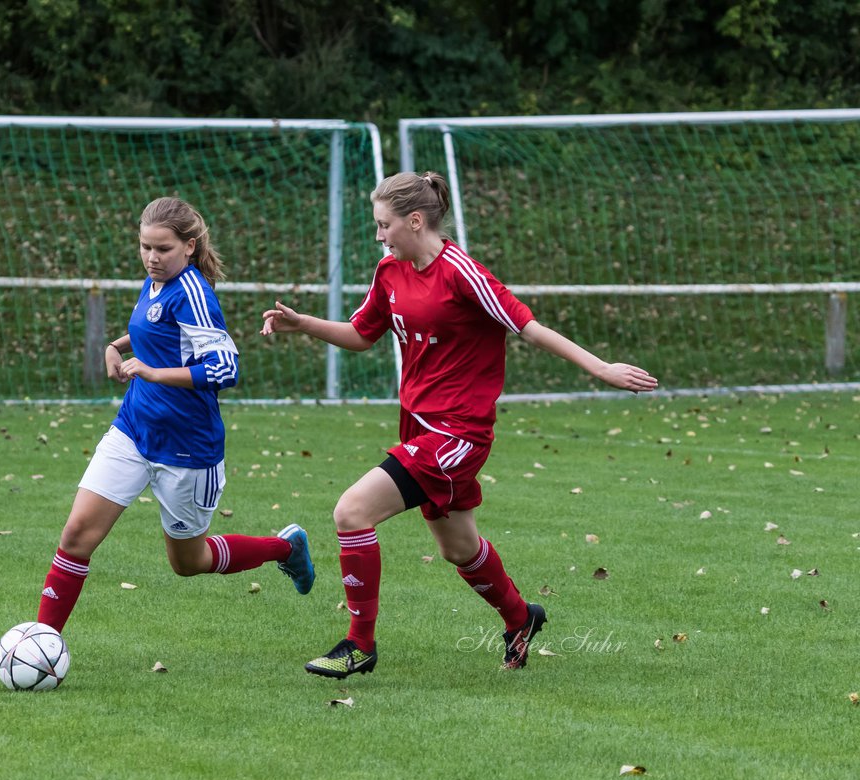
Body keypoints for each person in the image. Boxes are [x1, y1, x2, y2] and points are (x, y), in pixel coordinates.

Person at [260, 172, 658, 678]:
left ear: (416, 220)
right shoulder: (390, 271)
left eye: (384, 225)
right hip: (419, 427)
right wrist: (306, 324)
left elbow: (528, 327)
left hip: (458, 435)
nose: (379, 235)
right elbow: (363, 333)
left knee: (351, 512)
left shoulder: (461, 273)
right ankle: (521, 618)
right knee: (459, 548)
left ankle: (359, 645)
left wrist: (601, 368)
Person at [35, 196, 316, 636]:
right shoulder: (156, 283)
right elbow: (154, 327)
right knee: (76, 537)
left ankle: (284, 548)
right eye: (145, 247)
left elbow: (226, 368)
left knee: (189, 562)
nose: (151, 258)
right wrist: (117, 346)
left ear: (189, 246)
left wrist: (152, 372)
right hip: (133, 430)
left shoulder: (194, 292)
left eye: (162, 249)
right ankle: (41, 642)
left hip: (187, 448)